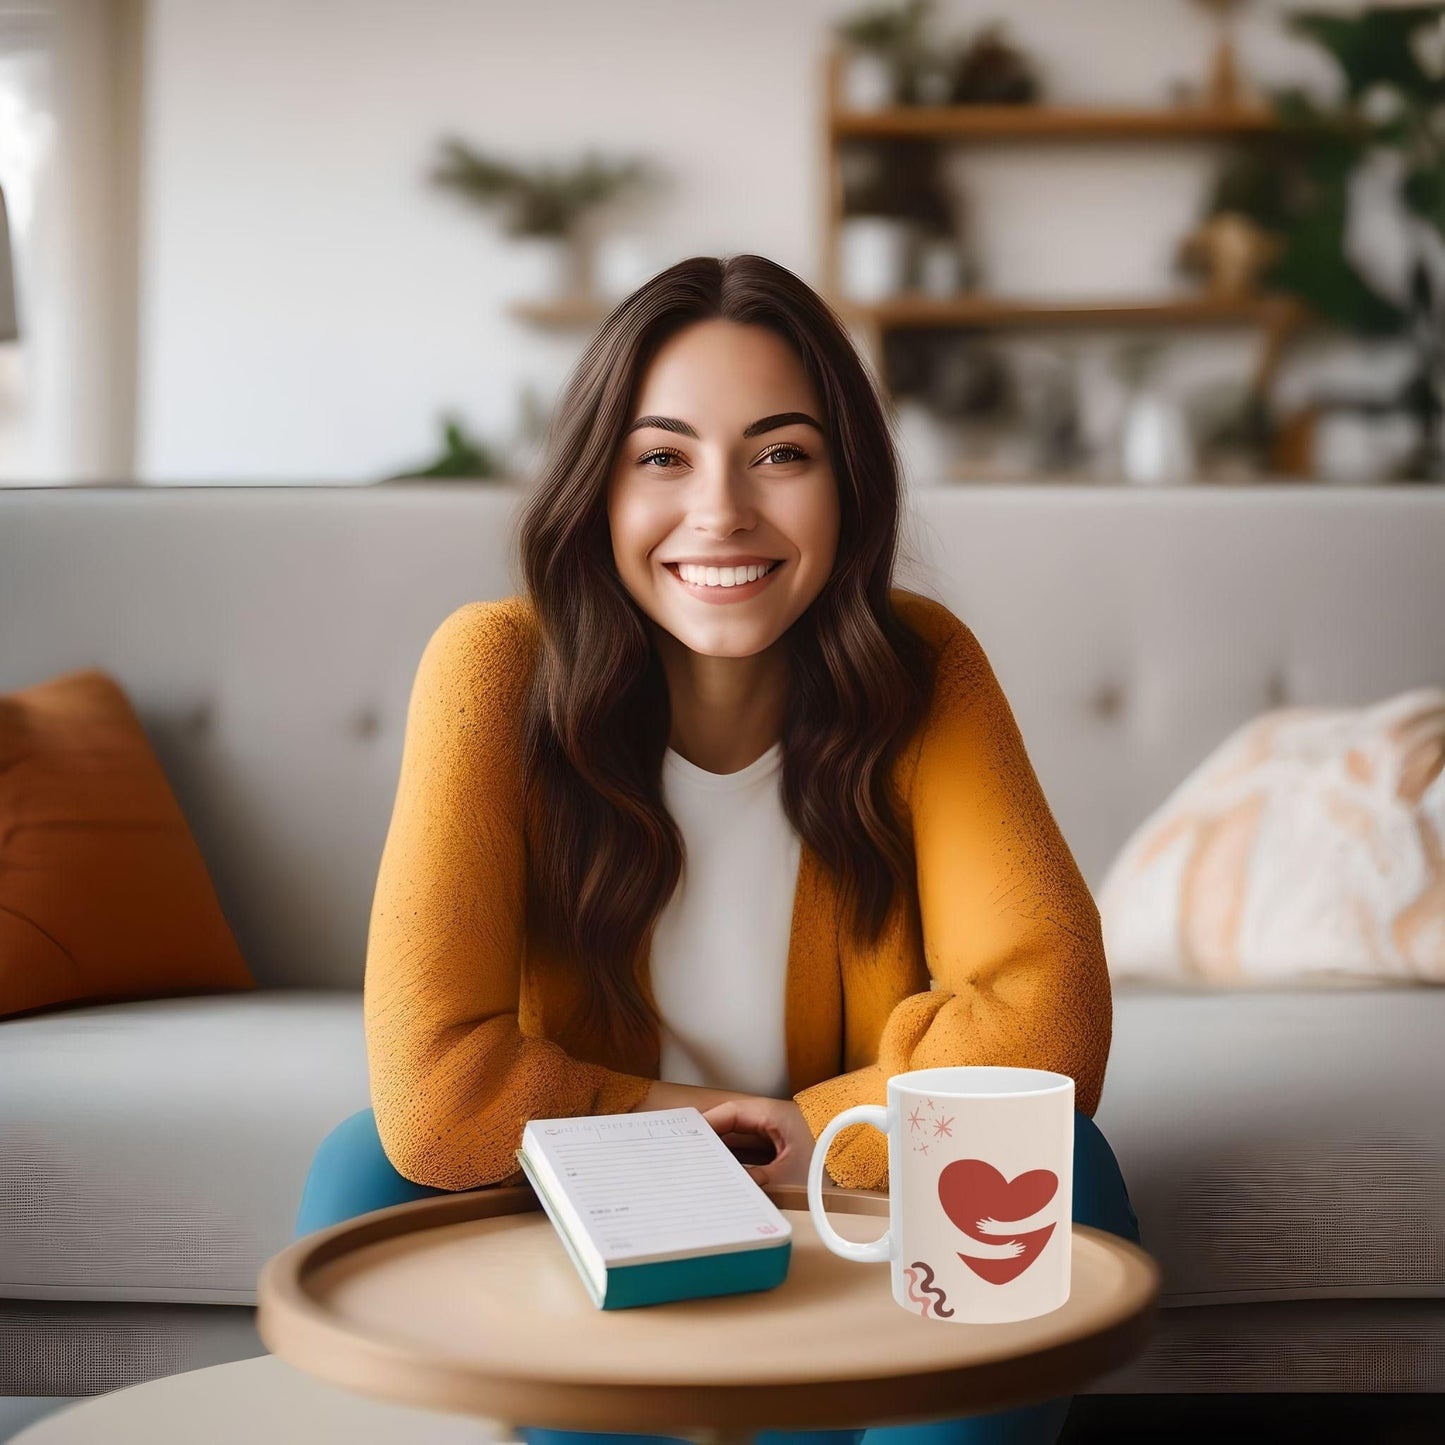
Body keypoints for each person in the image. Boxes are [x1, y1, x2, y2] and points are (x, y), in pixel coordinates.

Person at [296, 254, 1141, 1445]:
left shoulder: (921, 668)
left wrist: (818, 1130)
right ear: (599, 485)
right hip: (591, 1218)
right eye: (663, 456)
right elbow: (438, 1094)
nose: (721, 510)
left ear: (846, 482)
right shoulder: (493, 671)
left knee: (1059, 1151)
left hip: (845, 1209)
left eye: (780, 453)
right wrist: (681, 1126)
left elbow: (1045, 1013)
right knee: (364, 1171)